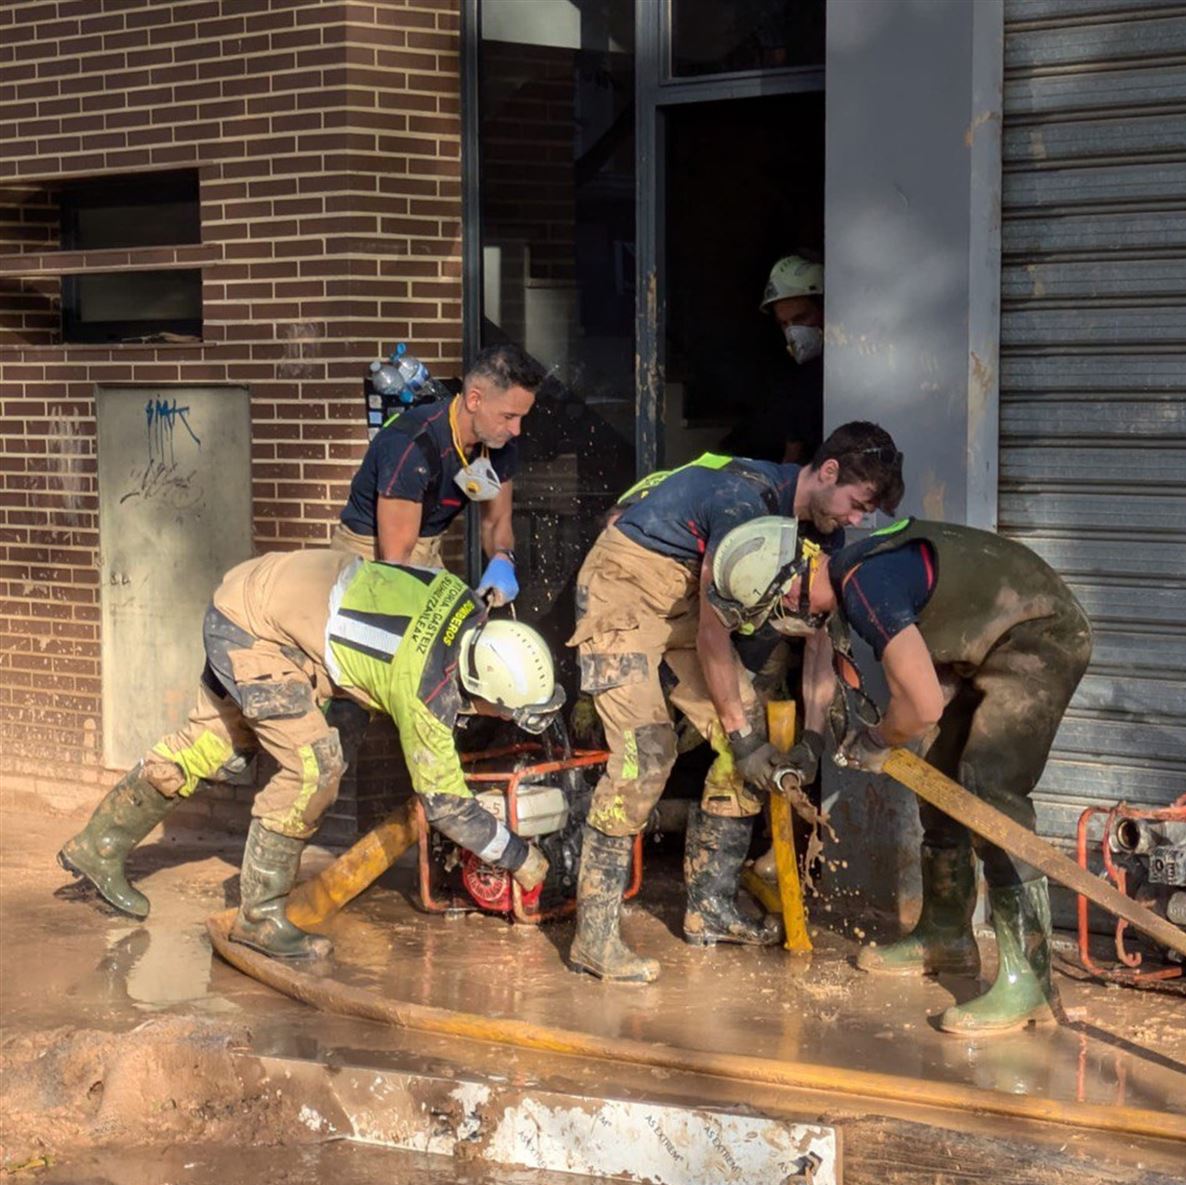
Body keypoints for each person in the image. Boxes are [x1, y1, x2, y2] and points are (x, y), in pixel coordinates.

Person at [58, 549, 565, 960]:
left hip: (259, 595)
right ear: (487, 692)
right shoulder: (424, 693)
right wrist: (520, 858)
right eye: (509, 711)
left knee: (210, 747)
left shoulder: (465, 601)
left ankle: (98, 846)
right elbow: (446, 805)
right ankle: (259, 919)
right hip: (256, 633)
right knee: (312, 770)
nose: (507, 720)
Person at [710, 512, 1093, 1035]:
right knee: (938, 773)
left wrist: (878, 740)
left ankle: (1030, 981)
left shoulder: (866, 586)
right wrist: (819, 742)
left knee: (989, 785)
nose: (780, 626)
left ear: (792, 587)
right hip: (987, 644)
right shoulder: (848, 577)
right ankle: (946, 934)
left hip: (1039, 636)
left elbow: (924, 706)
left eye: (773, 612)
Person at [566, 423, 904, 984]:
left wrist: (812, 741)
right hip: (627, 585)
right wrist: (739, 735)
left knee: (757, 759)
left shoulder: (822, 537)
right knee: (647, 751)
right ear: (828, 472)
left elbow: (820, 637)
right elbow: (713, 633)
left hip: (688, 609)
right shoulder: (744, 505)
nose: (858, 519)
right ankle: (594, 938)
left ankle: (711, 908)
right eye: (858, 503)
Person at [332, 343, 542, 605]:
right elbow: (395, 562)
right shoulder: (411, 446)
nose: (516, 429)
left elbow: (497, 521)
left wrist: (503, 557)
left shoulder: (499, 446)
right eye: (509, 416)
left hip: (426, 546)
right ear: (475, 399)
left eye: (522, 417)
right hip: (370, 551)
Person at [721, 253, 824, 467]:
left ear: (824, 309)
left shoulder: (841, 369)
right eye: (784, 323)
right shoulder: (788, 376)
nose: (792, 331)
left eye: (800, 318)